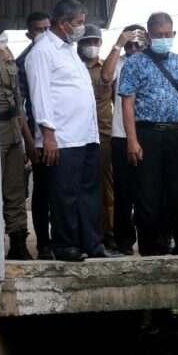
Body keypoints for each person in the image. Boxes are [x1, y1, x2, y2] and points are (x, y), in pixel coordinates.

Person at [25, 0, 120, 261]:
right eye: (78, 22)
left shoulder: (68, 50)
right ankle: (65, 246)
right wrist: (48, 135)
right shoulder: (42, 51)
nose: (81, 27)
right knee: (64, 195)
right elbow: (40, 95)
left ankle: (92, 243)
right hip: (62, 138)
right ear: (63, 22)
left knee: (89, 194)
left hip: (86, 136)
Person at [119, 12, 178, 256]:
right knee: (148, 195)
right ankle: (152, 248)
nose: (163, 38)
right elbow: (127, 103)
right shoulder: (135, 63)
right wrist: (132, 140)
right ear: (148, 35)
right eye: (158, 35)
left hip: (176, 134)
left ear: (174, 34)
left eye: (167, 34)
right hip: (147, 135)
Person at [100, 23, 145, 255]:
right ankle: (124, 242)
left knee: (149, 191)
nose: (134, 49)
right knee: (123, 192)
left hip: (148, 134)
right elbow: (106, 76)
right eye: (130, 45)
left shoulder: (152, 61)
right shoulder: (120, 61)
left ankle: (151, 239)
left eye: (138, 44)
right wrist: (118, 45)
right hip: (121, 135)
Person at [0, 20, 37, 260]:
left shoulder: (7, 56)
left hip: (12, 131)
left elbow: (18, 102)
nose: (2, 36)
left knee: (16, 190)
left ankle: (19, 243)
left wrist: (27, 141)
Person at [15, 11, 53, 259]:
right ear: (30, 34)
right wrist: (30, 142)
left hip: (66, 136)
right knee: (42, 191)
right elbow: (21, 107)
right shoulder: (23, 61)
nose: (44, 33)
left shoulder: (63, 53)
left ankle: (63, 240)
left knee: (63, 191)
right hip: (40, 137)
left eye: (47, 28)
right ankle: (44, 244)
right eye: (39, 29)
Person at [79, 24, 118, 251]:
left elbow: (117, 103)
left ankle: (108, 233)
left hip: (104, 134)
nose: (91, 46)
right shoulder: (73, 67)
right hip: (77, 135)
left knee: (106, 186)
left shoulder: (108, 69)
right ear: (79, 43)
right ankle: (83, 233)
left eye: (95, 41)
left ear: (101, 43)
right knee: (80, 186)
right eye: (87, 41)